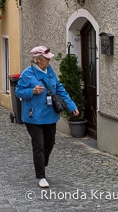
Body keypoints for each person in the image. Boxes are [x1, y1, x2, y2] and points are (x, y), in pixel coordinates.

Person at [15, 45, 78, 189]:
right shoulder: (27, 74)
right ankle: (41, 176)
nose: (49, 62)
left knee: (49, 143)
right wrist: (32, 91)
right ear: (38, 60)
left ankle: (41, 162)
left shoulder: (50, 71)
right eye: (46, 59)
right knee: (38, 145)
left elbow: (60, 89)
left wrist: (72, 106)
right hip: (33, 116)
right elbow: (18, 91)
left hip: (49, 115)